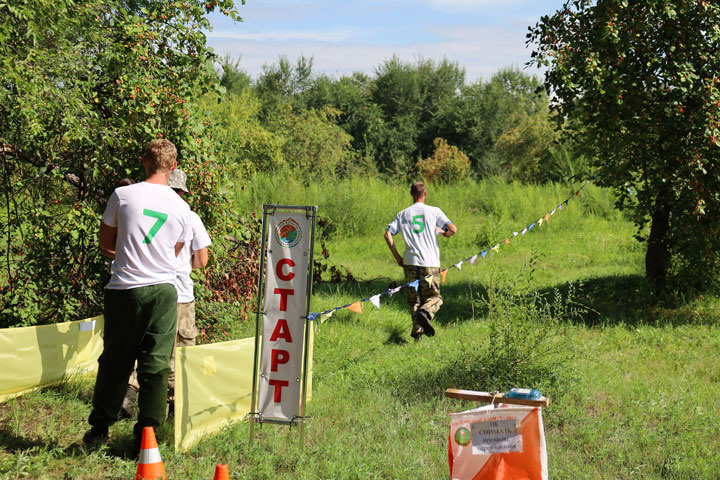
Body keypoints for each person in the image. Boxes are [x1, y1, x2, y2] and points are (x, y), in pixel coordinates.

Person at [83, 139, 191, 452]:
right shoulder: (182, 207)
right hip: (163, 292)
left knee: (115, 360)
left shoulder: (123, 195)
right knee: (156, 365)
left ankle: (98, 431)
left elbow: (106, 244)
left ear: (144, 161)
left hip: (124, 289)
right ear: (173, 168)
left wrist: (129, 257)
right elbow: (175, 253)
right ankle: (148, 438)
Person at [121, 169, 211, 418]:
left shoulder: (140, 208)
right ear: (181, 191)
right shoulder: (188, 215)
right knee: (179, 349)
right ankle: (173, 405)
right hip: (179, 293)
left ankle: (129, 391)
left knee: (143, 343)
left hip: (143, 286)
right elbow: (202, 260)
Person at [384, 181, 457, 341]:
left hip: (410, 261)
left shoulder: (402, 214)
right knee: (435, 297)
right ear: (425, 194)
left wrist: (397, 257)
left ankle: (418, 333)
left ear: (411, 194)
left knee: (413, 298)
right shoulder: (434, 211)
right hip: (430, 262)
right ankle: (426, 313)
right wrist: (445, 234)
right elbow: (452, 229)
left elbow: (388, 234)